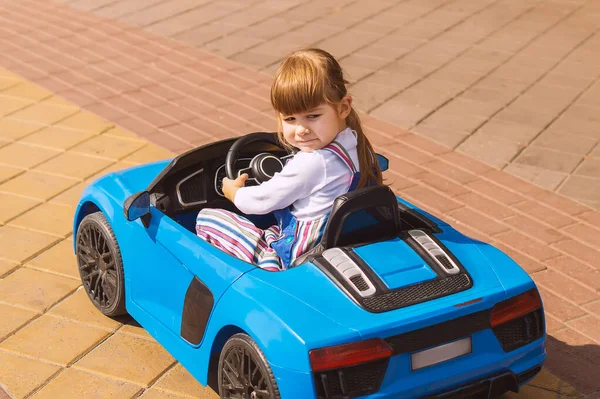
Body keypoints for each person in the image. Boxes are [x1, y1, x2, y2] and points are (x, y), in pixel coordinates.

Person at [195, 48, 383, 271]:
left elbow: (260, 201)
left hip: (295, 258)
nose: (301, 130)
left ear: (343, 108)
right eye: (290, 119)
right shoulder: (355, 143)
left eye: (313, 116)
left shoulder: (313, 162)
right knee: (274, 229)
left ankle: (262, 268)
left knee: (207, 219)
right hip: (333, 246)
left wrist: (233, 192)